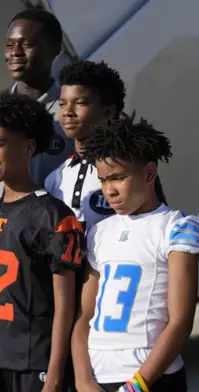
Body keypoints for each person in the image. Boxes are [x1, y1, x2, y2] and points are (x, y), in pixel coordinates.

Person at [71, 114, 199, 392]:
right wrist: (83, 381)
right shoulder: (99, 232)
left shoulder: (176, 227)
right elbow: (84, 316)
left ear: (150, 173)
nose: (109, 190)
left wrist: (137, 386)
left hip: (151, 379)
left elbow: (180, 322)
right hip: (97, 378)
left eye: (118, 177)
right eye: (104, 180)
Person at [0, 93, 83, 392]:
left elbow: (66, 307)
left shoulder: (53, 216)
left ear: (29, 147)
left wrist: (56, 375)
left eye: (0, 143)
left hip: (33, 362)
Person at [44, 60, 124, 230]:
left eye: (79, 103)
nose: (67, 112)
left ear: (109, 112)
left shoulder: (130, 171)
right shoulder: (54, 179)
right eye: (62, 103)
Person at [3, 9, 74, 187]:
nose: (15, 52)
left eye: (26, 44)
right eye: (10, 45)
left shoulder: (73, 113)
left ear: (54, 50)